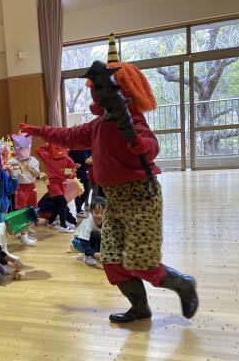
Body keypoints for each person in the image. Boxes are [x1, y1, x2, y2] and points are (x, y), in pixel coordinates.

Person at [19, 34, 198, 324]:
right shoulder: (98, 125)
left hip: (141, 197)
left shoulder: (133, 120)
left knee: (142, 263)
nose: (95, 96)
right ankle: (140, 308)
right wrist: (38, 130)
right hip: (115, 200)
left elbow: (151, 145)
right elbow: (69, 136)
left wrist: (139, 144)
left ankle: (183, 284)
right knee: (113, 260)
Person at [35, 142, 77, 233]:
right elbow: (38, 150)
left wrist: (69, 173)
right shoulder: (48, 156)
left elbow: (73, 172)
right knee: (62, 202)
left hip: (62, 184)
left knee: (58, 205)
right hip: (52, 184)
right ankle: (63, 225)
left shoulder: (67, 159)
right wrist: (48, 144)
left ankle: (51, 222)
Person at [11, 132, 39, 245]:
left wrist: (28, 168)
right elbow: (10, 175)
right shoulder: (13, 161)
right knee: (22, 212)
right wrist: (15, 167)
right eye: (20, 147)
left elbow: (37, 174)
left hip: (31, 186)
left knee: (31, 210)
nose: (23, 149)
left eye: (26, 147)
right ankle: (23, 236)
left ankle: (25, 230)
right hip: (20, 187)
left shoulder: (33, 160)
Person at [72, 197, 107, 267]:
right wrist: (94, 253)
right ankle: (88, 256)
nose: (99, 215)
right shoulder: (88, 223)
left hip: (89, 241)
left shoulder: (105, 221)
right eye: (96, 213)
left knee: (102, 235)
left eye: (102, 213)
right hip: (79, 243)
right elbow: (84, 242)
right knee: (96, 234)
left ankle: (95, 254)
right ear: (91, 211)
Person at [69, 149, 92, 217]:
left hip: (84, 173)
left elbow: (90, 159)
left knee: (87, 191)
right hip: (76, 174)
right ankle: (78, 210)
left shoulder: (87, 149)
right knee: (78, 192)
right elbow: (67, 162)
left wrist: (90, 162)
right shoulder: (73, 150)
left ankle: (79, 208)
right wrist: (74, 165)